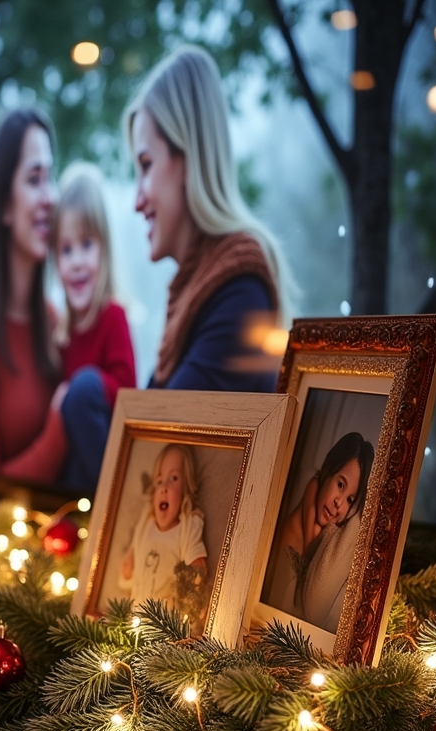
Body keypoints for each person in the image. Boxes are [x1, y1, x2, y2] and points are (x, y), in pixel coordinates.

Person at [60, 45, 294, 490]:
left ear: (187, 157)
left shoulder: (238, 294)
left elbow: (155, 476)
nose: (137, 199)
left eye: (146, 166)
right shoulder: (199, 290)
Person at [0, 108, 66, 486]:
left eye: (50, 177)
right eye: (34, 179)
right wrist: (60, 427)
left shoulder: (55, 320)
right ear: (5, 206)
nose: (50, 197)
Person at [51, 163, 136, 488]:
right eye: (66, 249)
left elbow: (127, 389)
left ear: (105, 250)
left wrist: (78, 391)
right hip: (77, 465)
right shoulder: (62, 332)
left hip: (110, 451)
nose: (76, 262)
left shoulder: (113, 316)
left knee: (84, 386)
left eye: (86, 245)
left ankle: (113, 499)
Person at [265, 432, 374, 628]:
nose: (339, 503)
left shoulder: (316, 496)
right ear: (327, 470)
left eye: (350, 499)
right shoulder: (313, 490)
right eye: (340, 484)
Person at [120, 444, 207, 610]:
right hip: (136, 613)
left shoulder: (188, 525)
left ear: (186, 487)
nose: (164, 488)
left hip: (165, 619)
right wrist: (129, 561)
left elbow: (197, 565)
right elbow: (135, 548)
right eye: (159, 481)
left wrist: (195, 579)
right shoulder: (147, 521)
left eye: (173, 478)